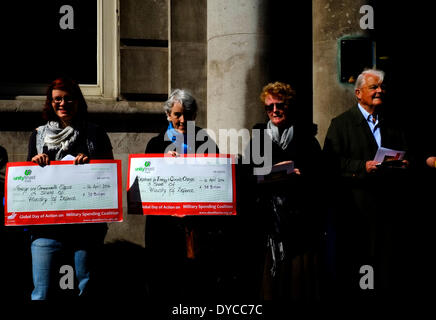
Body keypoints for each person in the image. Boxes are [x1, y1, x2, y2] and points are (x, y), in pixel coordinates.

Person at [323, 69, 410, 299]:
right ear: (358, 93)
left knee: (387, 271)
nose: (380, 90)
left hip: (388, 213)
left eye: (381, 87)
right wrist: (362, 167)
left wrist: (403, 164)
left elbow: (403, 152)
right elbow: (329, 164)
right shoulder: (341, 124)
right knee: (359, 272)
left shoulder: (393, 123)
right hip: (357, 214)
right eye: (374, 87)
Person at [27, 77, 113, 300]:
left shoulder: (95, 133)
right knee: (43, 292)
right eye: (57, 99)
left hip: (85, 230)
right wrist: (35, 163)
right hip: (46, 230)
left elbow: (108, 176)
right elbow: (26, 183)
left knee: (86, 289)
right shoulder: (38, 135)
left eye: (68, 99)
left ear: (78, 101)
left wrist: (92, 161)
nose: (63, 103)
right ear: (50, 102)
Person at [244, 81, 323, 301]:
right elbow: (247, 174)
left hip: (299, 221)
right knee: (270, 282)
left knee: (298, 283)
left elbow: (320, 174)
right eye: (269, 107)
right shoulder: (258, 139)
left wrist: (301, 174)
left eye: (279, 105)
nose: (275, 111)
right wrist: (262, 177)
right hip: (269, 220)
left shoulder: (306, 138)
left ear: (288, 106)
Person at [144, 89, 222, 301]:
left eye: (188, 114)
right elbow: (144, 184)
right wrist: (161, 160)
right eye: (177, 114)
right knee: (165, 282)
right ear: (168, 115)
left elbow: (216, 182)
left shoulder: (206, 141)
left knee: (195, 283)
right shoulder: (155, 144)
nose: (182, 119)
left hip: (197, 227)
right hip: (164, 228)